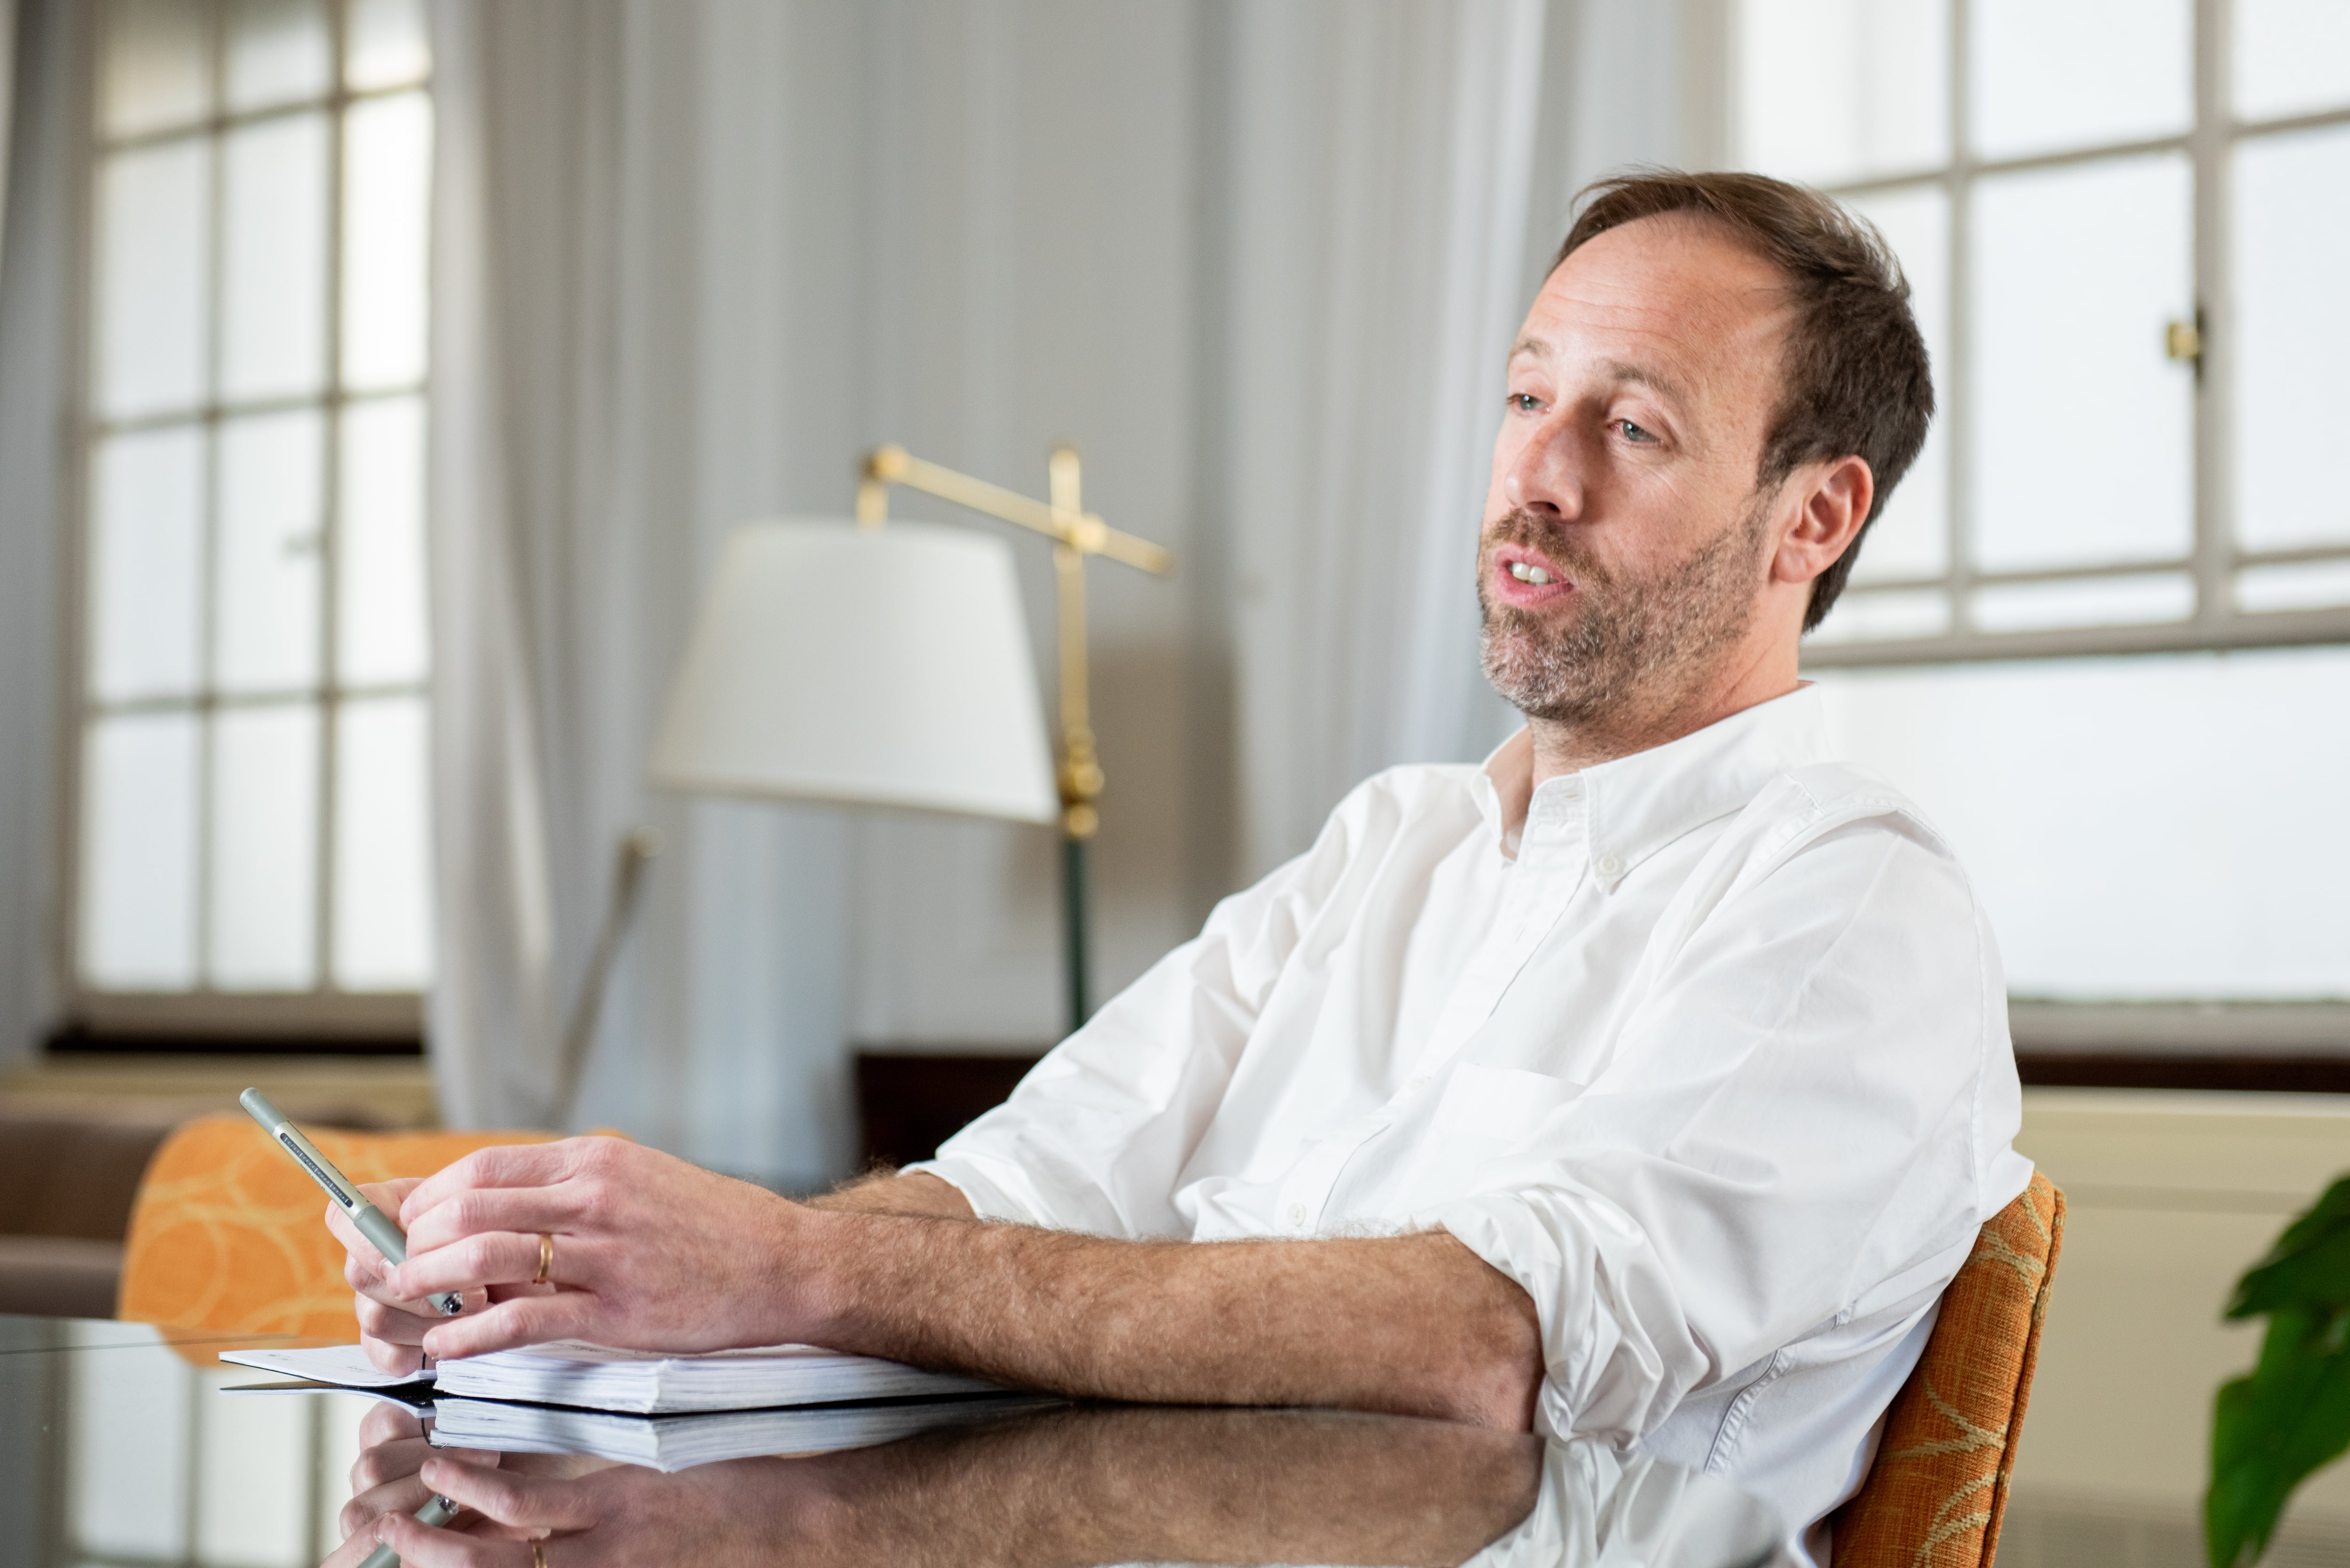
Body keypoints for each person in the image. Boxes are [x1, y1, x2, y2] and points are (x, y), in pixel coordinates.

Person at [336, 169, 2030, 1565]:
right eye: (1527, 397)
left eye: (1634, 426)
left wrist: (791, 1266)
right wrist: (618, 1287)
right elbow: (1015, 1186)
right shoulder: (1394, 843)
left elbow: (1482, 1343)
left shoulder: (1850, 902)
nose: (1539, 476)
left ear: (1812, 519)